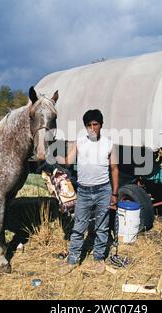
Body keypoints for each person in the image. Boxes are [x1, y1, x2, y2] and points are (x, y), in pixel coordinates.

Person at [57, 109, 119, 275]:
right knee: (78, 227)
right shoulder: (79, 142)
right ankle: (72, 260)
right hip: (84, 191)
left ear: (101, 125)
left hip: (103, 191)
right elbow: (69, 162)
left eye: (95, 124)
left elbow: (114, 169)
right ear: (85, 126)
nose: (92, 128)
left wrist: (114, 194)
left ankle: (99, 259)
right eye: (89, 125)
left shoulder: (108, 144)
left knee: (102, 227)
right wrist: (54, 157)